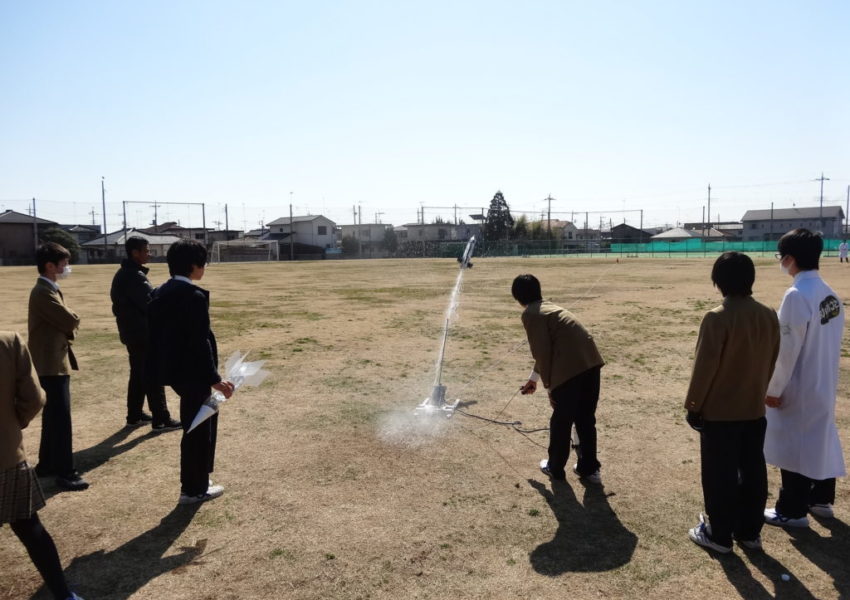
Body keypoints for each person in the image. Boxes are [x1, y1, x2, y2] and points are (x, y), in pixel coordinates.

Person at [684, 252, 780, 554]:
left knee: (719, 474)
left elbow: (704, 368)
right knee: (753, 470)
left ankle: (720, 534)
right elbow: (772, 360)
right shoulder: (768, 315)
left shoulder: (717, 317)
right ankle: (749, 532)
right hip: (754, 408)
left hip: (721, 413)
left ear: (719, 281)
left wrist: (694, 405)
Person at [764, 229, 846, 527]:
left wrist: (773, 388)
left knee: (794, 445)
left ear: (789, 259)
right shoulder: (829, 294)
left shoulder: (797, 295)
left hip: (799, 383)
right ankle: (821, 499)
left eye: (780, 257)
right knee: (819, 439)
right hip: (823, 379)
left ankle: (792, 509)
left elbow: (787, 351)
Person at [147, 239, 234, 505]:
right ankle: (193, 489)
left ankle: (197, 480)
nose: (204, 268)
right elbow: (199, 343)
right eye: (203, 263)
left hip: (173, 372)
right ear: (194, 266)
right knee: (197, 429)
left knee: (195, 425)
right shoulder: (193, 297)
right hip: (194, 374)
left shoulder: (159, 292)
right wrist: (215, 379)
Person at [0, 331, 84, 600]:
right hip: (7, 453)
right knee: (29, 526)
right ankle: (63, 594)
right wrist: (13, 425)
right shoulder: (8, 342)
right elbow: (35, 398)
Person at [513, 274, 605, 484]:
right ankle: (589, 469)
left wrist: (550, 388)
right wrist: (533, 379)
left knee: (561, 420)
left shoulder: (531, 313)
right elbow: (550, 350)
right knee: (585, 419)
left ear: (517, 297)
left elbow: (542, 353)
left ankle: (555, 468)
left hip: (570, 369)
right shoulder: (549, 308)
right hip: (591, 364)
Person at [28, 242, 88, 491]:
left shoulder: (48, 288)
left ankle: (47, 464)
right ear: (50, 266)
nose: (67, 268)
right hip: (50, 364)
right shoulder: (43, 291)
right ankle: (66, 472)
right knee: (60, 419)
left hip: (51, 362)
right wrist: (73, 318)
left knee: (53, 418)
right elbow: (68, 319)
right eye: (63, 264)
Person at [110, 236, 180, 431]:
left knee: (139, 373)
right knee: (153, 373)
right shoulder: (133, 275)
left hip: (133, 333)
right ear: (135, 253)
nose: (149, 254)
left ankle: (135, 414)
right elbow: (151, 302)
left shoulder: (127, 273)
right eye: (147, 251)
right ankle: (161, 418)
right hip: (141, 334)